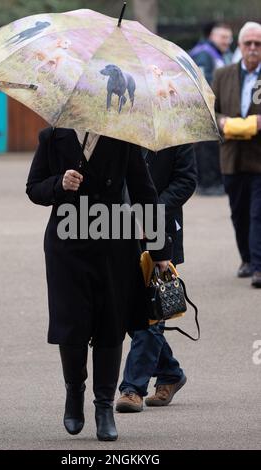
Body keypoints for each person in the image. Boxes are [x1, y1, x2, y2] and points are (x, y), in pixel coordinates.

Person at [26, 127, 172, 441]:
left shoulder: (122, 137)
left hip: (114, 244)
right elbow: (34, 188)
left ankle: (103, 406)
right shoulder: (52, 136)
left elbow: (144, 191)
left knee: (111, 326)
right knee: (72, 327)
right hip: (67, 244)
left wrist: (160, 250)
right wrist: (59, 184)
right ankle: (74, 392)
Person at [116, 144, 197, 412]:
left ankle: (132, 389)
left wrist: (150, 213)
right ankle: (170, 373)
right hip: (117, 230)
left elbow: (186, 180)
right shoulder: (117, 131)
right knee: (131, 314)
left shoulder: (175, 133)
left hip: (161, 234)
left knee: (151, 312)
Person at [212, 22, 261, 287]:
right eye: (248, 43)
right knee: (239, 213)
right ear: (240, 46)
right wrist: (221, 122)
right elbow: (212, 109)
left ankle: (258, 266)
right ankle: (246, 258)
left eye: (258, 44)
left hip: (258, 158)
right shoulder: (223, 74)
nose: (253, 48)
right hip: (231, 156)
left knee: (257, 214)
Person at [190, 22, 233, 196]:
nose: (227, 41)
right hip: (202, 108)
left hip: (214, 108)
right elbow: (203, 84)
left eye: (229, 38)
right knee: (206, 145)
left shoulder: (218, 54)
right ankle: (207, 184)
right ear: (212, 36)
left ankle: (213, 181)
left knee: (213, 145)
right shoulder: (204, 54)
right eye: (223, 37)